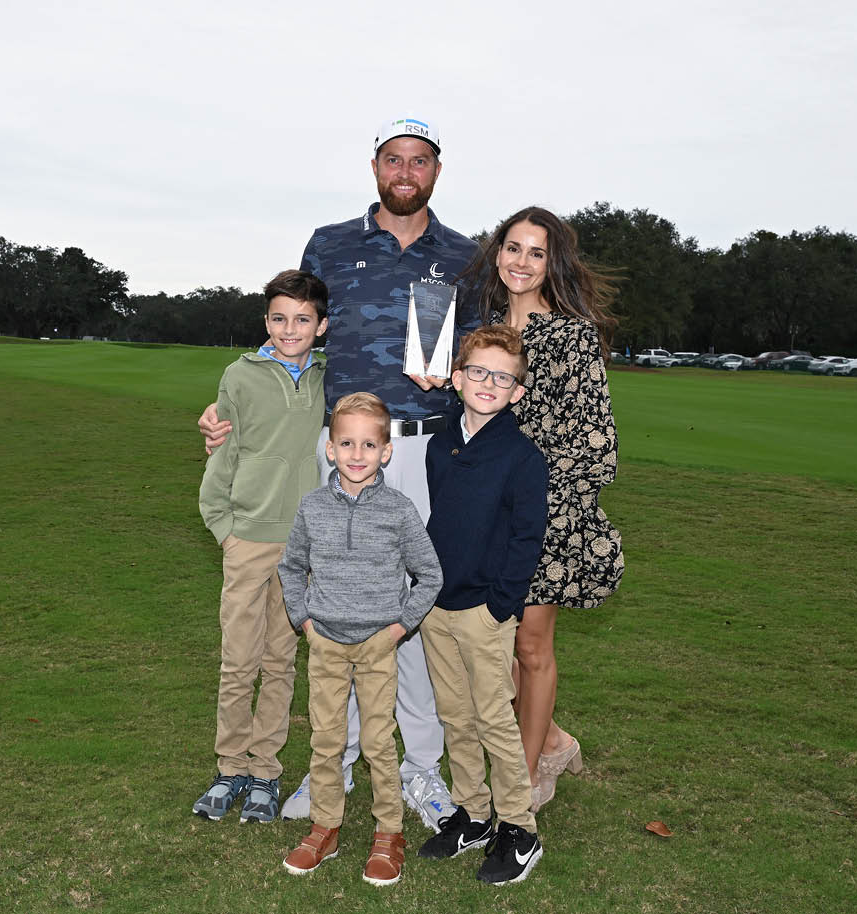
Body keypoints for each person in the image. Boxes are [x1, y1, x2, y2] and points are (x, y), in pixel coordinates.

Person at [199, 116, 480, 828]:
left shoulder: (464, 254)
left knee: (411, 611)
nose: (406, 171)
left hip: (423, 451)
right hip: (344, 452)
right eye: (394, 159)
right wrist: (234, 405)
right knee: (340, 607)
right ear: (376, 167)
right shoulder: (330, 243)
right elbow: (293, 337)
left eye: (420, 161)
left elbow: (483, 355)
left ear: (436, 172)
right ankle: (339, 761)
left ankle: (419, 768)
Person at [465, 205, 624, 812]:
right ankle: (553, 740)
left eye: (536, 252)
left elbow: (596, 444)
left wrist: (541, 509)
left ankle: (523, 777)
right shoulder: (482, 335)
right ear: (496, 254)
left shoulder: (572, 336)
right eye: (512, 248)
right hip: (485, 514)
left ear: (551, 263)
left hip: (545, 518)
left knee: (530, 648)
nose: (521, 262)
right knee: (489, 650)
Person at [277, 393, 443, 886]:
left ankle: (388, 833)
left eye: (368, 444)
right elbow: (290, 567)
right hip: (325, 642)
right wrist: (304, 620)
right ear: (329, 447)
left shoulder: (398, 509)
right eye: (345, 442)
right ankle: (325, 826)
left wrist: (398, 627)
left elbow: (429, 575)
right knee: (327, 741)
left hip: (377, 645)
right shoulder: (312, 507)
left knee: (377, 744)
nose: (356, 454)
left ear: (386, 452)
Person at [192, 270, 330, 824]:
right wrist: (225, 528)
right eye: (278, 318)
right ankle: (229, 770)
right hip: (248, 539)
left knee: (280, 662)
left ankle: (265, 774)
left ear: (322, 326)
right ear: (265, 322)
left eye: (302, 319)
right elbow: (222, 450)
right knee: (238, 661)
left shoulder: (329, 377)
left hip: (302, 550)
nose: (289, 329)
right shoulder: (240, 375)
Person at [418, 325, 548, 884]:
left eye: (503, 376)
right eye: (478, 372)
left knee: (494, 717)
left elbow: (526, 538)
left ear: (517, 391)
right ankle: (472, 813)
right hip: (437, 606)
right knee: (454, 713)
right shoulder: (439, 441)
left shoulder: (522, 456)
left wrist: (501, 606)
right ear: (457, 378)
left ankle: (519, 830)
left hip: (484, 611)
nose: (488, 383)